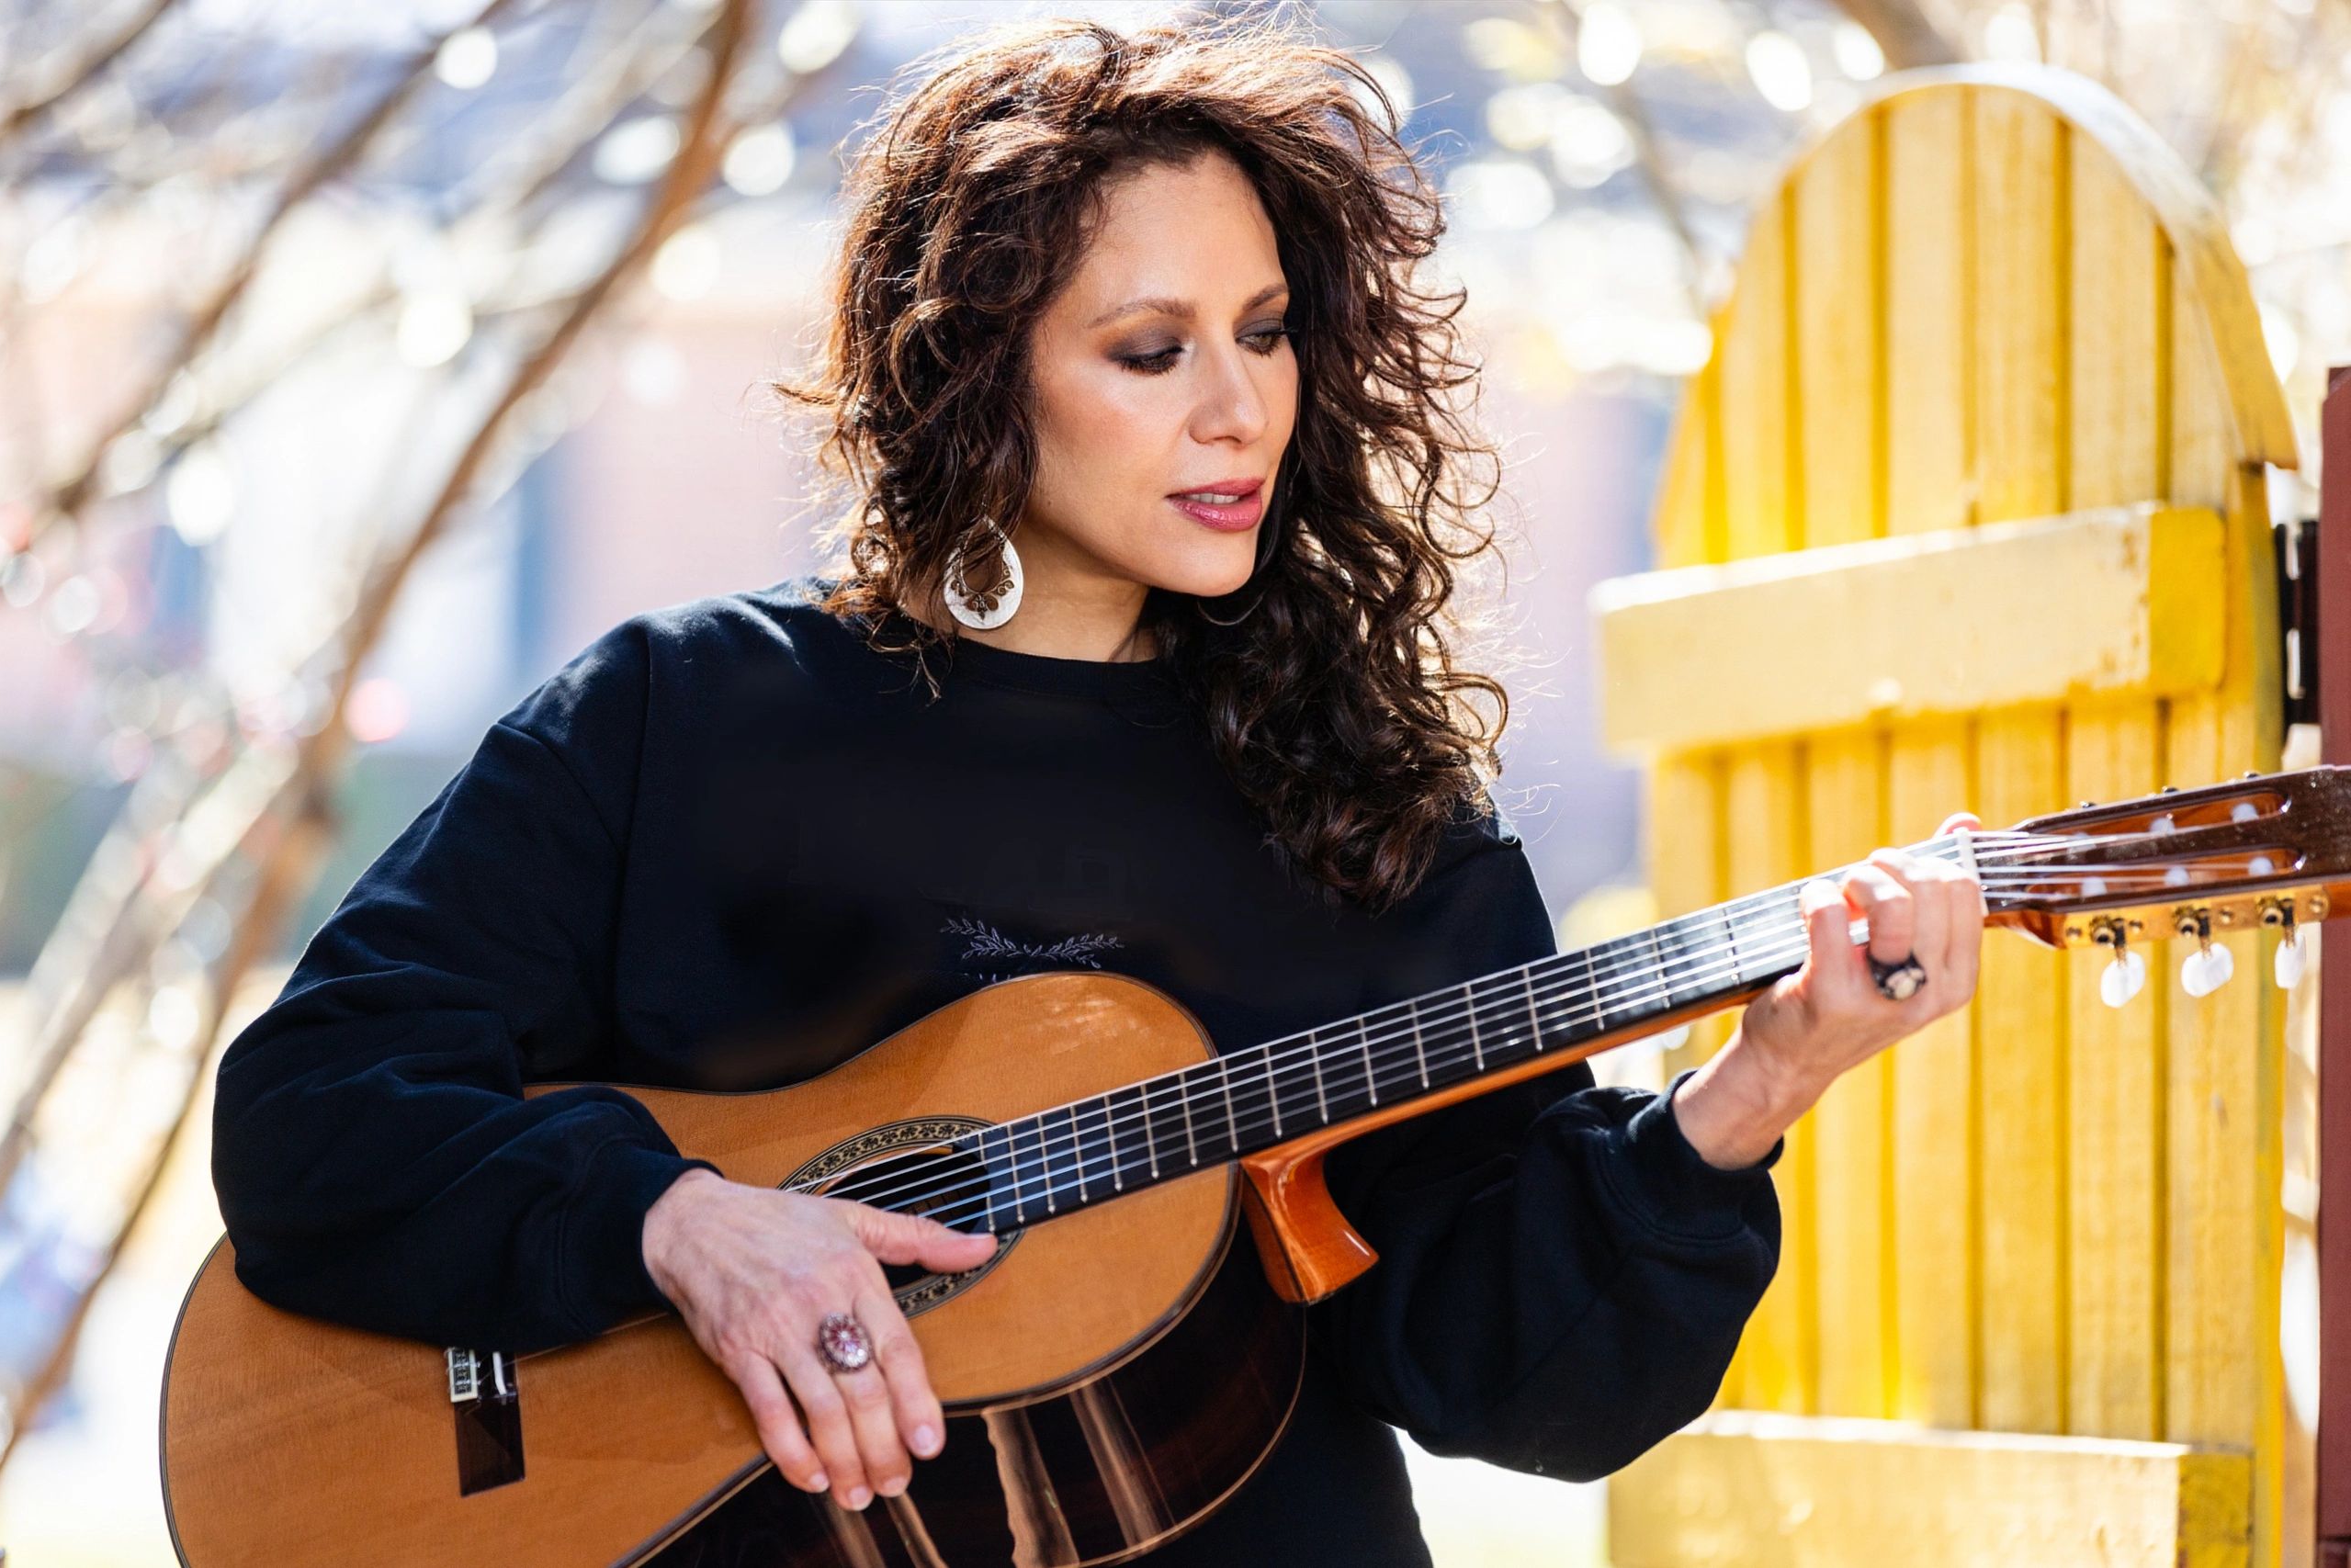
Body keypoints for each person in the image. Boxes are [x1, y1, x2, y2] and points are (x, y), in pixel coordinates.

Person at [209, 14, 1984, 1565]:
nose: (1243, 409)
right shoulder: (685, 718)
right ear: (977, 376)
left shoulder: (1373, 816)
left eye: (1270, 330)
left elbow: (1522, 1390)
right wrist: (672, 1220)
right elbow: (314, 1109)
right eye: (1153, 351)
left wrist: (1758, 1084)